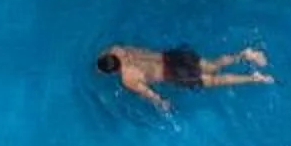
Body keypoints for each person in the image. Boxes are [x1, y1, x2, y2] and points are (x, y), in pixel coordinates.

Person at [94, 44, 271, 112]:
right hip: (171, 57)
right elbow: (107, 55)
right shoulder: (118, 50)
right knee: (212, 65)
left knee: (214, 80)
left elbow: (148, 93)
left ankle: (253, 78)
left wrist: (161, 102)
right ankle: (243, 55)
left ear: (113, 72)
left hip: (172, 74)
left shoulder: (127, 78)